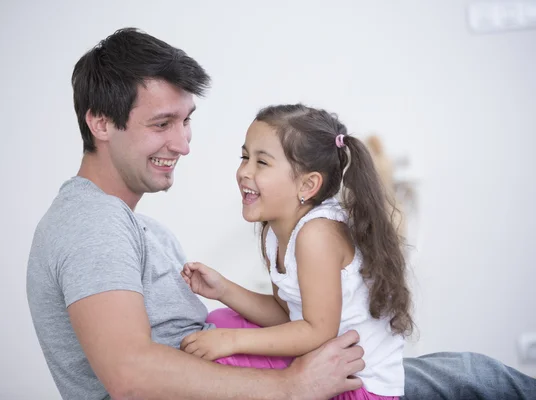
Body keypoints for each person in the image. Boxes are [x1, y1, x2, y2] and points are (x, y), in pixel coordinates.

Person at [26, 27, 536, 400]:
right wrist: (291, 386)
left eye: (186, 122)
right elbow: (130, 376)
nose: (183, 144)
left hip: (294, 369)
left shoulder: (137, 226)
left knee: (471, 374)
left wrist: (234, 311)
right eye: (163, 123)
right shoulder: (91, 223)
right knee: (473, 378)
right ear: (100, 122)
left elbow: (296, 319)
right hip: (283, 380)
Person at [179, 104, 410, 400]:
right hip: (325, 359)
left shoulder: (317, 235)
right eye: (245, 157)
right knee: (223, 318)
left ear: (308, 184)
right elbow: (287, 314)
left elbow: (317, 331)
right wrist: (224, 289)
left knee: (222, 357)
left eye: (261, 163)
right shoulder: (275, 231)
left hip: (355, 385)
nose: (243, 172)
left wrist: (232, 342)